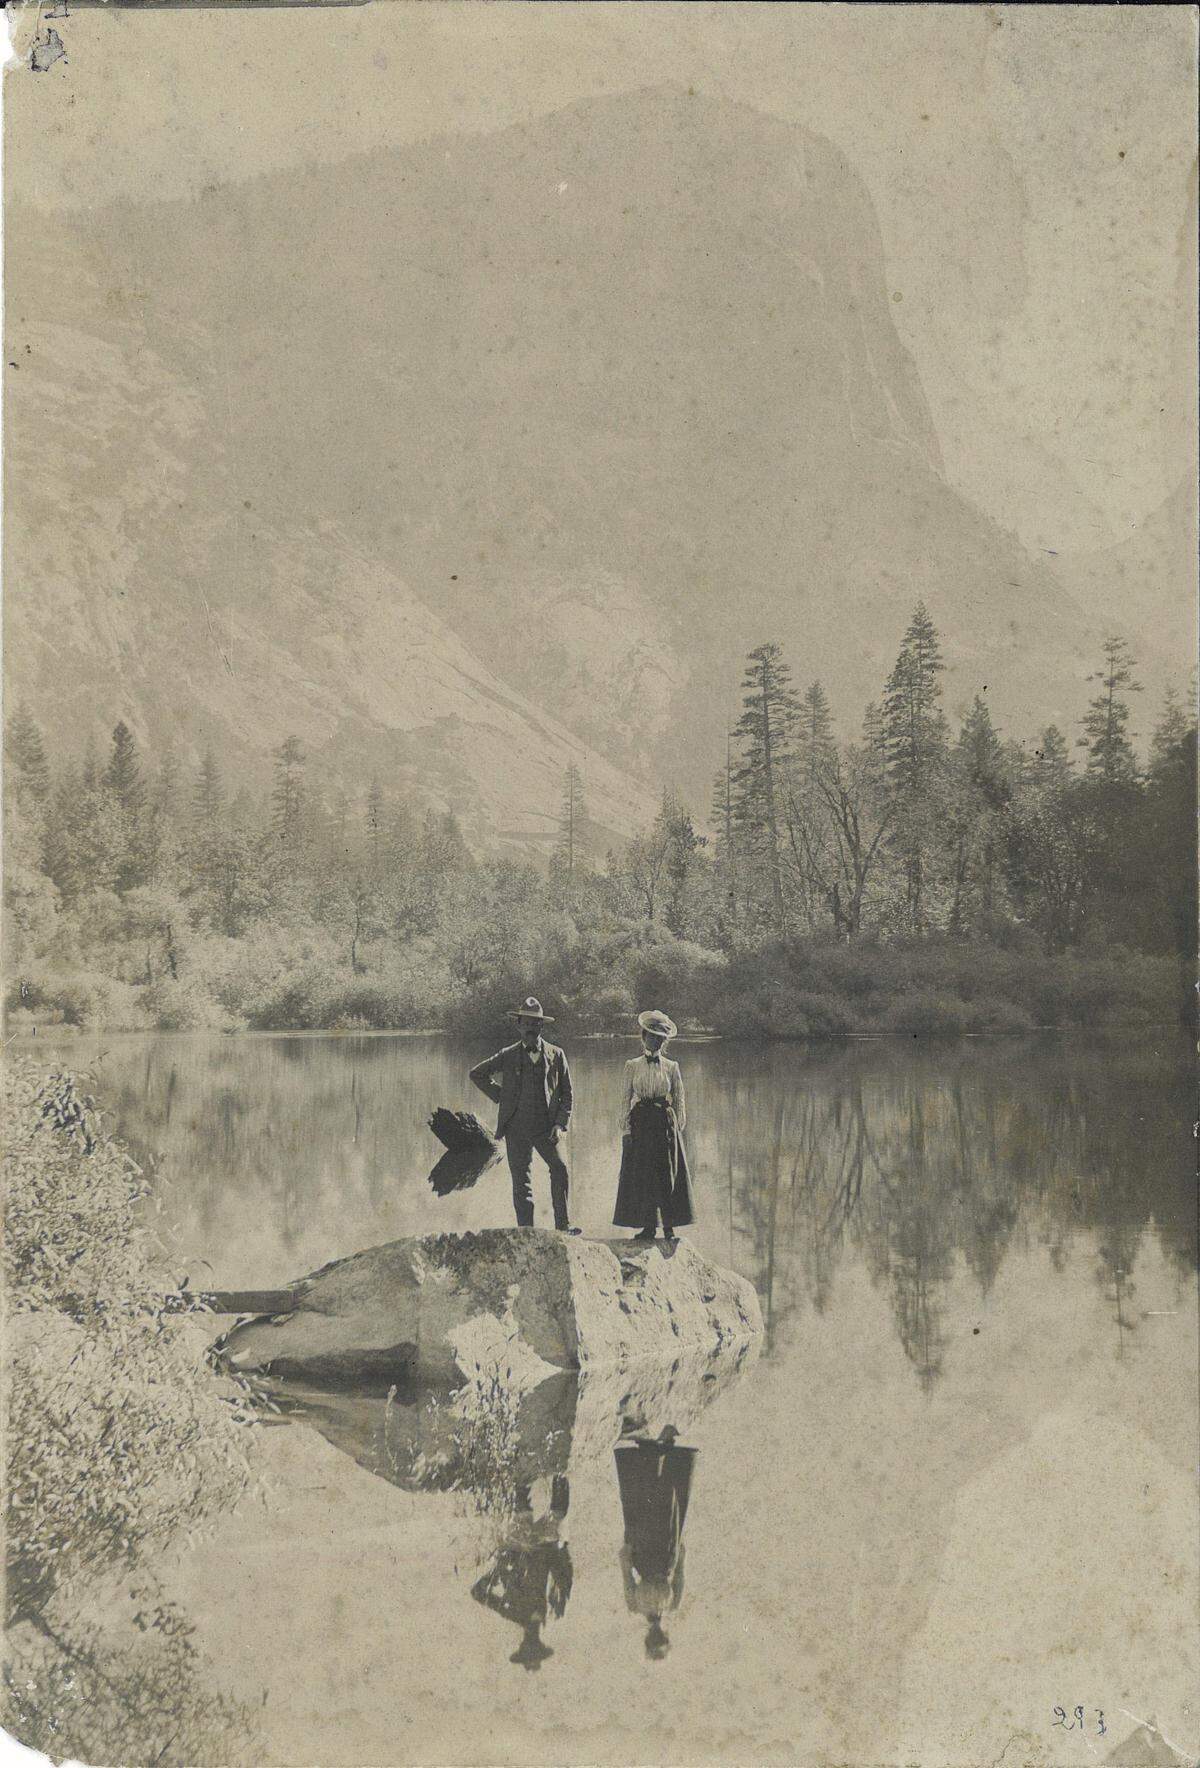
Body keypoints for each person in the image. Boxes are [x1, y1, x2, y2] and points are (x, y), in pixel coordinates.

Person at [469, 996, 578, 1232]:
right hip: (516, 1127)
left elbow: (568, 1094)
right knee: (521, 1181)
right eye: (526, 1023)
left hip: (547, 1128)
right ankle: (526, 1231)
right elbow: (477, 1074)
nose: (530, 1027)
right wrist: (501, 1095)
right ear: (518, 1025)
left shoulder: (557, 1054)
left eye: (535, 1023)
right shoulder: (508, 1054)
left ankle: (563, 1227)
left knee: (560, 1169)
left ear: (542, 1026)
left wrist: (560, 1125)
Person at [470, 1475, 573, 1672]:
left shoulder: (512, 1612)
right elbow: (556, 1577)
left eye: (529, 1646)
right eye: (537, 1646)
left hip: (520, 1549)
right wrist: (558, 1555)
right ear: (542, 1644)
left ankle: (522, 1465)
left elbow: (477, 1592)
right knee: (558, 1511)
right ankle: (560, 1465)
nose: (533, 1642)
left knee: (522, 1507)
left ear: (522, 1644)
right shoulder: (545, 1614)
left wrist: (499, 1570)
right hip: (542, 1549)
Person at [614, 1426, 697, 1661]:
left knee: (641, 1503)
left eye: (653, 1640)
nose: (656, 1635)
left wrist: (626, 1552)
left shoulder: (634, 1606)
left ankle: (646, 1451)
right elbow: (680, 1573)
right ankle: (667, 1450)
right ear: (666, 1635)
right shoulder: (673, 1604)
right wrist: (680, 1552)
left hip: (641, 1552)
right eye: (660, 1639)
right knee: (667, 1502)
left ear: (647, 1638)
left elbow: (626, 1574)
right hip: (665, 1552)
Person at [613, 1009, 695, 1243]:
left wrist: (677, 1127)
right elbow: (624, 1097)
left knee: (666, 1174)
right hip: (641, 1123)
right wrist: (626, 1129)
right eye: (651, 1035)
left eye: (660, 1038)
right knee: (643, 1176)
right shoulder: (632, 1065)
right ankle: (648, 1227)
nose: (655, 1041)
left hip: (663, 1124)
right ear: (643, 1036)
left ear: (664, 1041)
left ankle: (668, 1226)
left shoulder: (671, 1066)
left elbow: (679, 1098)